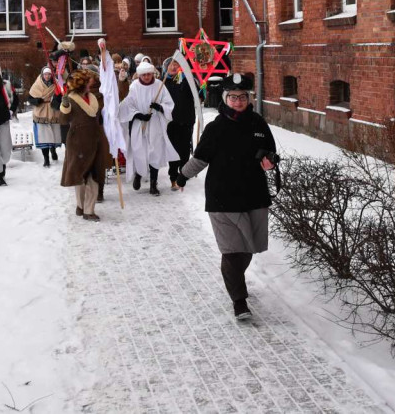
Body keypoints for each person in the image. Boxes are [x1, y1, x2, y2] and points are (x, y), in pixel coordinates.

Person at [176, 73, 277, 320]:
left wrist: (269, 163)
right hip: (222, 198)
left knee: (247, 250)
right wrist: (182, 176)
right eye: (233, 97)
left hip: (253, 194)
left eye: (242, 97)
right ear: (225, 98)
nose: (238, 101)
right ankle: (239, 301)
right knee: (232, 251)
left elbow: (272, 153)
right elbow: (200, 159)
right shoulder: (216, 128)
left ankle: (236, 284)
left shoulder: (258, 124)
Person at [119, 59, 179, 195]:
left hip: (155, 124)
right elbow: (128, 104)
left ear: (153, 74)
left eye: (149, 74)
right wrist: (138, 114)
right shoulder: (134, 86)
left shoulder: (159, 85)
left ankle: (153, 183)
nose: (146, 77)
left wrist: (160, 107)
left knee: (154, 152)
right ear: (139, 75)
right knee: (139, 151)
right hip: (140, 125)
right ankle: (139, 175)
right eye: (144, 75)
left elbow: (169, 103)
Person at [59, 68, 111, 221]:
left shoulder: (94, 98)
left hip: (95, 140)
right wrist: (65, 106)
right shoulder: (71, 99)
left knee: (93, 177)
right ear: (81, 86)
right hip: (77, 143)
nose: (90, 84)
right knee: (79, 177)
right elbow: (63, 120)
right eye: (87, 83)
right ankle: (80, 206)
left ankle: (88, 210)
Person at [162, 57, 196, 191]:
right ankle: (173, 176)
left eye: (176, 64)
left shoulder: (187, 80)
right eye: (170, 65)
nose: (173, 67)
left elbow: (198, 96)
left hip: (186, 119)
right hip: (171, 121)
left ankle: (184, 172)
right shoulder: (164, 83)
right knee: (173, 149)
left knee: (184, 148)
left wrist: (198, 87)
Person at [28, 66, 63, 168]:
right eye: (45, 74)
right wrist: (36, 101)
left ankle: (53, 150)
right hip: (41, 112)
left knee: (53, 134)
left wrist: (56, 100)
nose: (47, 76)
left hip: (53, 111)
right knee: (43, 137)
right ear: (42, 75)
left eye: (49, 74)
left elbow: (61, 94)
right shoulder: (37, 84)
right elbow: (30, 98)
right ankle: (46, 158)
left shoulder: (56, 84)